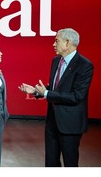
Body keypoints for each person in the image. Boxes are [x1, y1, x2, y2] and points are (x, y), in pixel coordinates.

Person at [19, 28, 94, 167]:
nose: (53, 44)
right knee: (51, 164)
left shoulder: (85, 65)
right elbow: (55, 89)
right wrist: (36, 91)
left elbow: (76, 96)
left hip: (70, 125)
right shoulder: (55, 61)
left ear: (67, 42)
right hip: (52, 123)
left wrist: (46, 94)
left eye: (56, 41)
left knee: (70, 164)